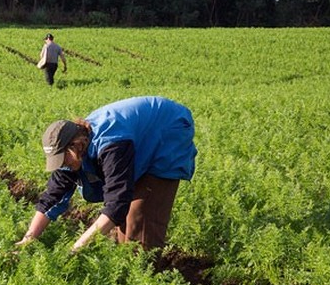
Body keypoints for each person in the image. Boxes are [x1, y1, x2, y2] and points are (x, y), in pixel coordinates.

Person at [15, 96, 197, 252]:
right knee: (124, 223)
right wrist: (28, 239)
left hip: (167, 131)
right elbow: (51, 198)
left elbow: (116, 203)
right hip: (138, 137)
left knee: (141, 220)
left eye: (63, 160)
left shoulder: (111, 146)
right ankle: (125, 267)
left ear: (75, 146)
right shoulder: (74, 152)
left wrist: (76, 249)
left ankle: (142, 276)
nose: (63, 166)